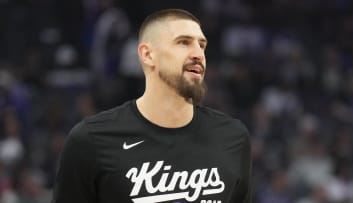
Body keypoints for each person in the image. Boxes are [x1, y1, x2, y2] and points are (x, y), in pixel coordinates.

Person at [51, 8, 252, 203]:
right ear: (147, 55)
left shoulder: (233, 137)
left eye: (202, 45)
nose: (198, 54)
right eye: (183, 43)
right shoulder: (91, 140)